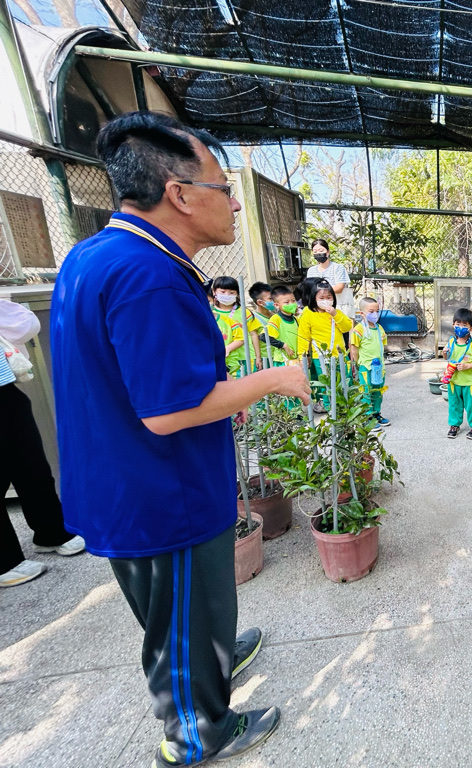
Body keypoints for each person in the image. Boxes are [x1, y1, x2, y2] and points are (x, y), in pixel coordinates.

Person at [50, 111, 311, 767]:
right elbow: (171, 411)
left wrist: (227, 399)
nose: (234, 205)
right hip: (164, 495)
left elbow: (142, 384)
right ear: (180, 194)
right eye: (224, 188)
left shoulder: (96, 255)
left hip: (123, 482)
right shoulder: (151, 277)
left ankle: (210, 651)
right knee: (180, 612)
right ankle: (197, 731)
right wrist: (274, 379)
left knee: (180, 609)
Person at [0, 299, 85, 588]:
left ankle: (51, 532)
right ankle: (5, 561)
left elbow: (27, 323)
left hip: (5, 389)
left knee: (31, 464)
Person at [297, 279, 354, 413]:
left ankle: (343, 406)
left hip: (339, 354)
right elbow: (304, 337)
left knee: (344, 380)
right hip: (320, 356)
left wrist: (335, 314)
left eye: (329, 297)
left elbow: (346, 327)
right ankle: (329, 409)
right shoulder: (308, 314)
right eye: (321, 298)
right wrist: (303, 356)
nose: (326, 300)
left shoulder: (336, 312)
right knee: (325, 383)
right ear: (314, 298)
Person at [444, 307, 472, 439]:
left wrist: (468, 366)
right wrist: (444, 353)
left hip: (469, 382)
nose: (460, 328)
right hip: (453, 380)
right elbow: (446, 358)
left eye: (464, 325)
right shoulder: (451, 341)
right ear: (453, 325)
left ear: (471, 328)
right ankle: (454, 425)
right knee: (454, 404)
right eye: (458, 324)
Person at [350, 296, 390, 428]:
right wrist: (356, 364)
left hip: (379, 368)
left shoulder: (379, 328)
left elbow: (382, 345)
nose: (375, 314)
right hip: (366, 367)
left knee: (378, 391)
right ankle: (367, 416)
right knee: (366, 392)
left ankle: (376, 413)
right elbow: (354, 348)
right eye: (371, 312)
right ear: (362, 313)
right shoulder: (359, 330)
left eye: (377, 311)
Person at [212, 276, 262, 373]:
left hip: (246, 357)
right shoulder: (212, 314)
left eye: (231, 293)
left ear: (237, 294)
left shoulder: (245, 312)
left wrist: (258, 357)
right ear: (214, 292)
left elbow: (253, 334)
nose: (227, 295)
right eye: (223, 292)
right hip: (224, 359)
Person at [266, 285, 299, 365]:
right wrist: (283, 345)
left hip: (296, 359)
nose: (291, 304)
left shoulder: (296, 319)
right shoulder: (276, 319)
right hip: (282, 360)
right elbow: (264, 336)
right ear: (277, 305)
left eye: (293, 301)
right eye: (287, 302)